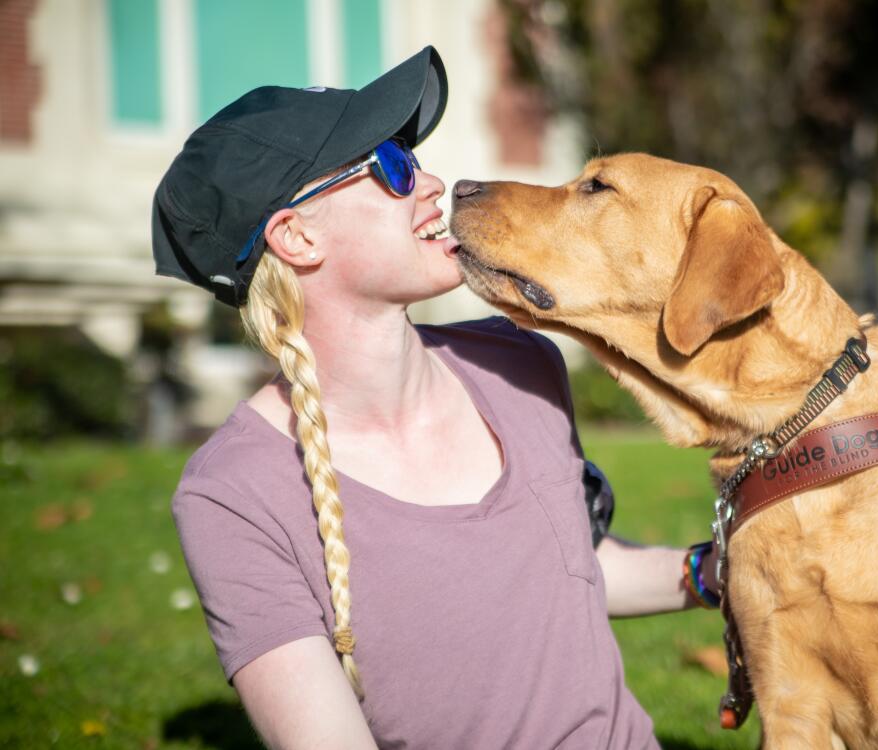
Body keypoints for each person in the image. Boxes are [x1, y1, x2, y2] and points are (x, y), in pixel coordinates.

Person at [151, 46, 721, 749]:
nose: (434, 185)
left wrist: (711, 572)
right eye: (391, 168)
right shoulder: (233, 493)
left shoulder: (522, 362)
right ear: (296, 236)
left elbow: (560, 571)